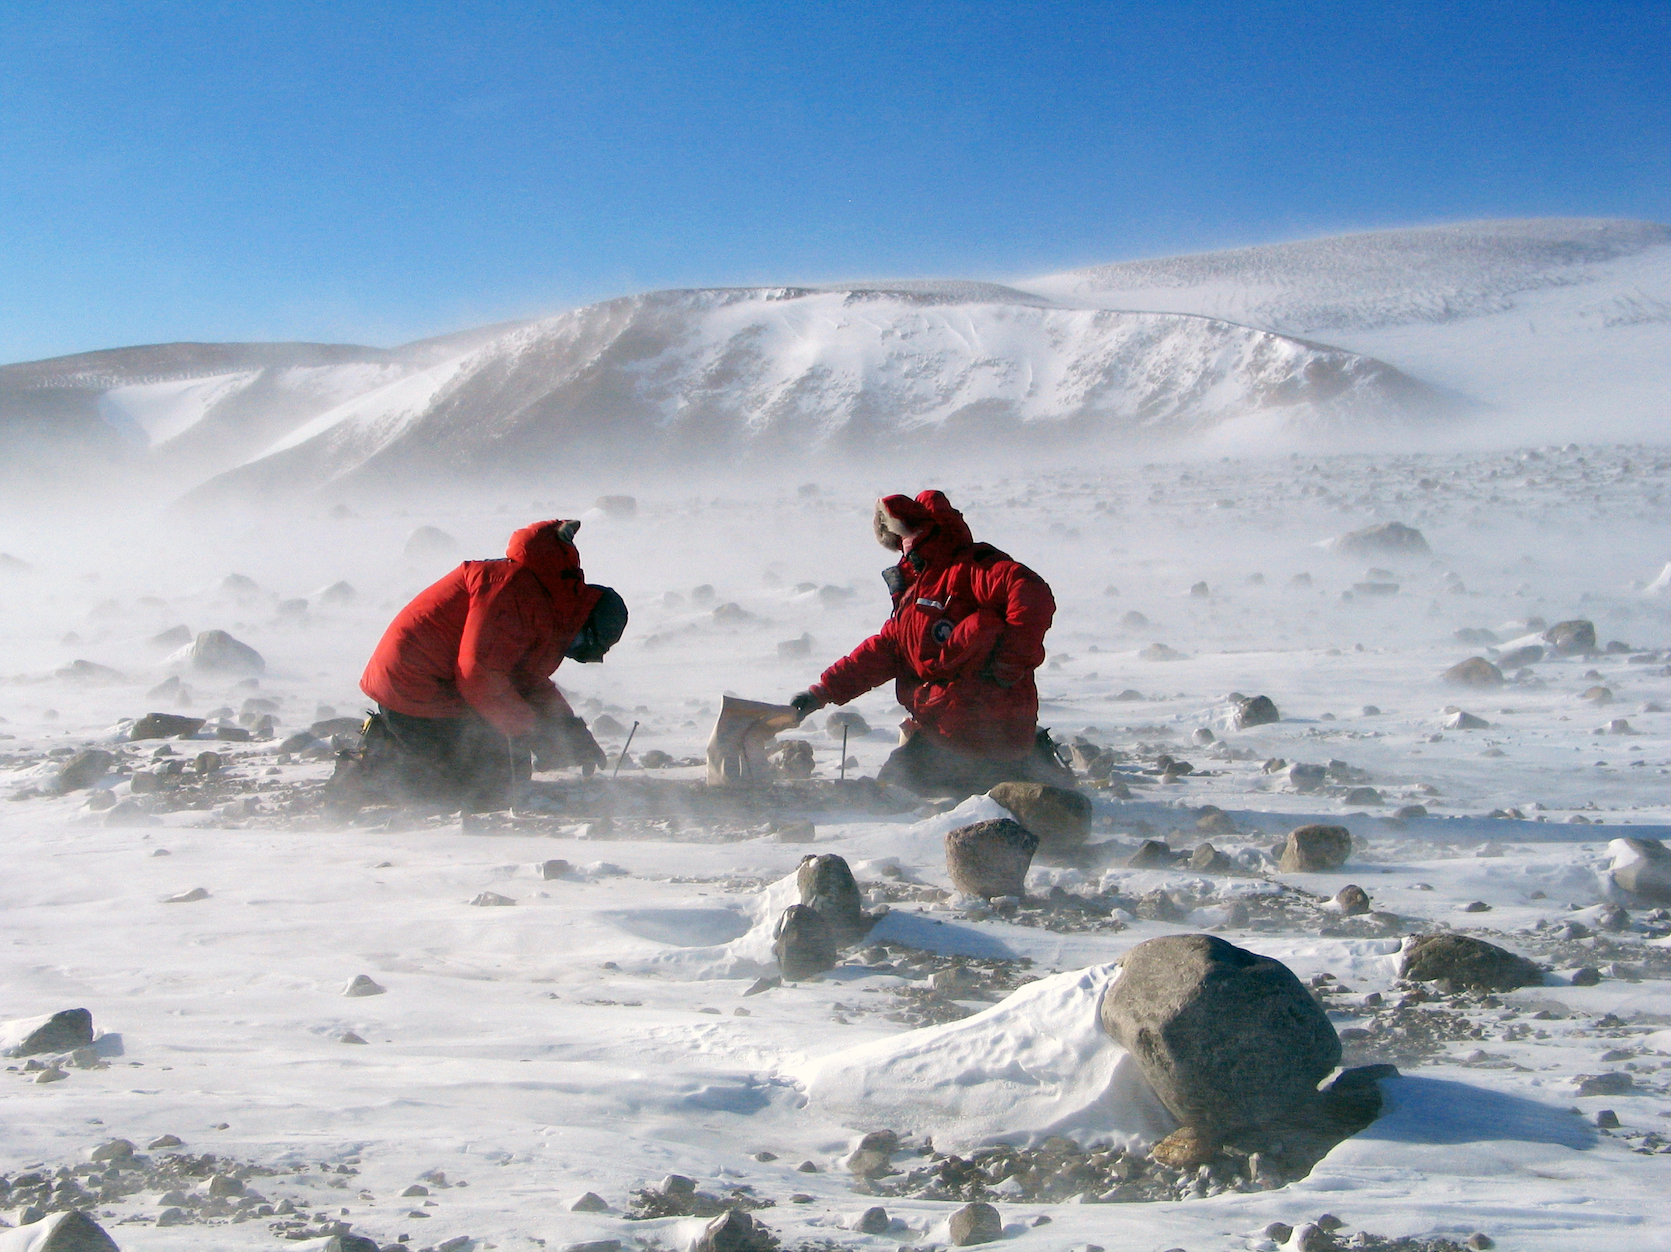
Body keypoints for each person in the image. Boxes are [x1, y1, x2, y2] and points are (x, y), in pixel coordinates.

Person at [788, 490, 1074, 798]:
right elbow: (885, 650)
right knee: (895, 786)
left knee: (895, 795)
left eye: (903, 539)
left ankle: (1018, 776)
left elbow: (1030, 594)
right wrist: (821, 692)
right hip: (949, 736)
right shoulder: (917, 589)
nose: (902, 548)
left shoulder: (970, 569)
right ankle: (1025, 773)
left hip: (980, 736)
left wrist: (1011, 662)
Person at [331, 518, 626, 812]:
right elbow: (478, 675)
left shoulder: (546, 606)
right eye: (580, 646)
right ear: (583, 619)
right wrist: (528, 732)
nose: (572, 651)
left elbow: (526, 681)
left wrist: (568, 733)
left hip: (442, 687)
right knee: (476, 793)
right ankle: (366, 773)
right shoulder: (515, 591)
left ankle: (396, 743)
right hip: (414, 687)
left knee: (502, 776)